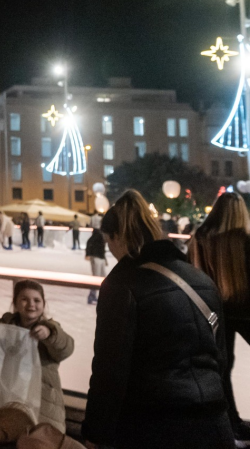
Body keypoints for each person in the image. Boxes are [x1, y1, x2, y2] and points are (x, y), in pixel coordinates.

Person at [81, 190, 234, 449]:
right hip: (214, 425)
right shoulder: (200, 280)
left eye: (108, 242)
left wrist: (95, 432)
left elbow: (110, 370)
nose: (110, 251)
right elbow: (219, 357)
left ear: (116, 237)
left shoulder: (122, 286)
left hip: (155, 427)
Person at [0, 280, 74, 432]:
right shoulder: (5, 326)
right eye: (24, 299)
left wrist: (50, 335)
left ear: (43, 304)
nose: (31, 304)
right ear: (15, 304)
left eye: (36, 300)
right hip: (10, 396)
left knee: (41, 440)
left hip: (43, 400)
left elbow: (66, 348)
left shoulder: (50, 328)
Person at [188, 191, 250, 444]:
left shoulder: (200, 238)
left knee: (222, 368)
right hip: (245, 310)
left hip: (211, 310)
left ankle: (230, 423)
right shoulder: (244, 240)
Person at [85, 227, 108, 305]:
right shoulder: (98, 234)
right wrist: (88, 254)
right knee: (96, 277)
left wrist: (105, 259)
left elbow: (102, 249)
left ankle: (101, 296)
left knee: (102, 277)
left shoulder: (101, 235)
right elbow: (89, 242)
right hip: (96, 258)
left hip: (100, 258)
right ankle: (92, 296)